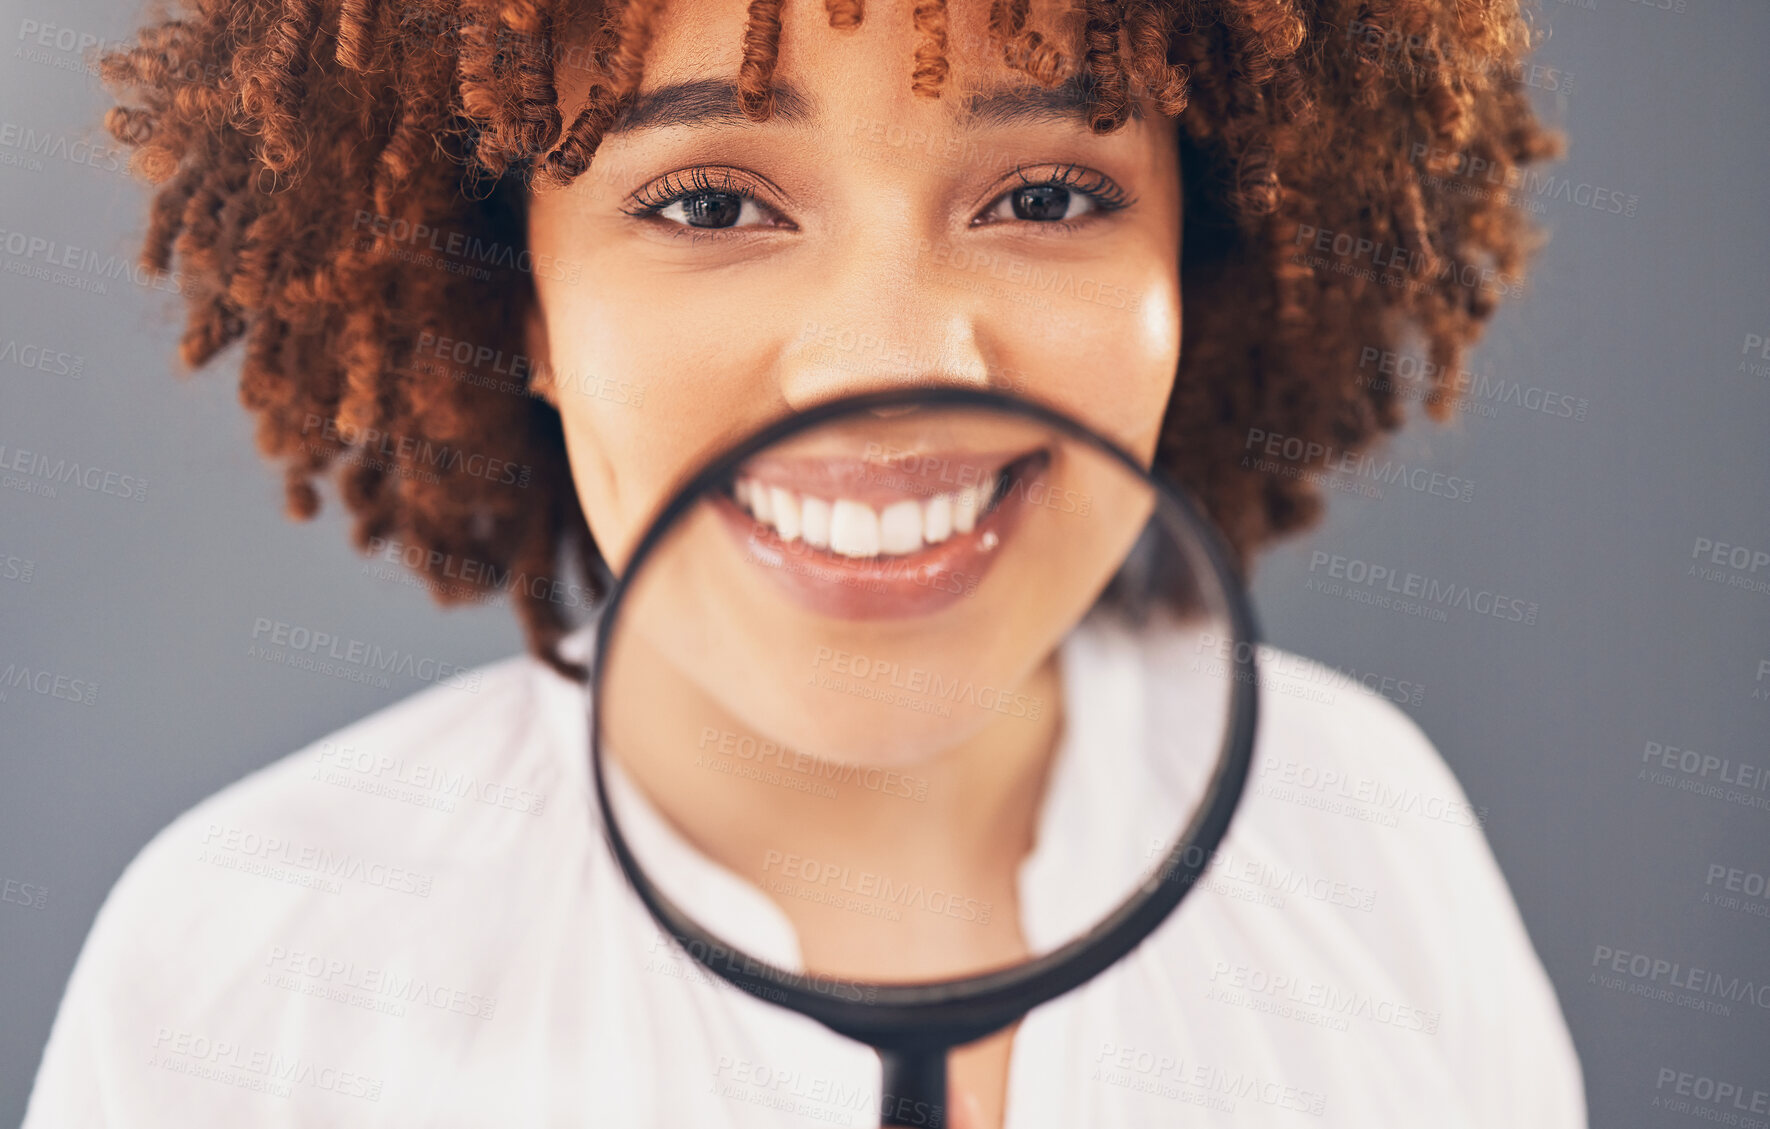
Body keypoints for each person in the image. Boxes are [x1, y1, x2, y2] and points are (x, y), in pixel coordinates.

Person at [25, 0, 1584, 1124]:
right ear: (521, 309)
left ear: (1206, 255)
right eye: (708, 201)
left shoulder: (1362, 832)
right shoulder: (245, 968)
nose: (886, 358)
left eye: (1045, 194)